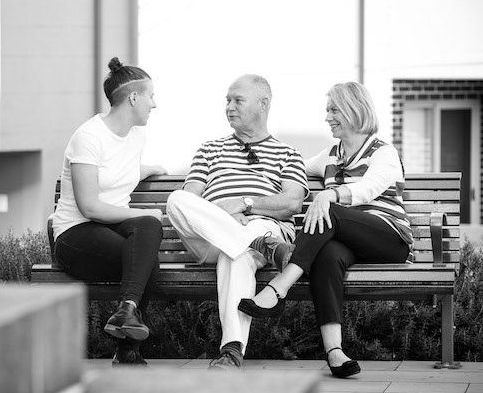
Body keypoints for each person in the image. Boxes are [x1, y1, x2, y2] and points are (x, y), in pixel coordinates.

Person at [239, 81, 413, 378]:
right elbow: (294, 169)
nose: (327, 116)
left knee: (328, 210)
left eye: (333, 110)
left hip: (388, 238)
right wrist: (253, 178)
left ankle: (278, 287)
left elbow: (368, 189)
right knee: (327, 254)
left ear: (353, 110)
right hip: (347, 240)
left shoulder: (383, 152)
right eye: (327, 110)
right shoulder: (332, 154)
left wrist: (330, 195)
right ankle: (335, 352)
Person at [166, 74, 308, 370]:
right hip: (209, 239)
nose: (229, 107)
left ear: (263, 104)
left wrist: (245, 204)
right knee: (175, 200)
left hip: (262, 225)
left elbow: (293, 202)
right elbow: (189, 198)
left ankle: (231, 350)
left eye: (237, 100)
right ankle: (260, 245)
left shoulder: (288, 154)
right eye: (227, 101)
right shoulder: (209, 149)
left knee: (237, 252)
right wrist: (218, 215)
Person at [51, 57, 167, 367]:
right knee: (147, 255)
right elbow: (89, 206)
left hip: (108, 230)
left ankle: (126, 311)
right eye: (151, 96)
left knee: (147, 237)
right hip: (75, 235)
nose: (154, 104)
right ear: (133, 97)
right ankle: (127, 350)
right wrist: (145, 215)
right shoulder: (88, 137)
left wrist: (150, 170)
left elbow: (118, 170)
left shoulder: (136, 136)